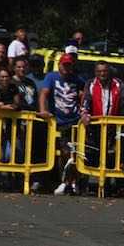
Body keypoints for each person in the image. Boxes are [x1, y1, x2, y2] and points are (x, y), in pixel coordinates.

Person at [39, 53, 85, 195]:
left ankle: (74, 182)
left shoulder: (77, 79)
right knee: (63, 153)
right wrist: (43, 110)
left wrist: (83, 110)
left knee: (76, 153)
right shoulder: (51, 77)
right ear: (59, 65)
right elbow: (44, 93)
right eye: (64, 65)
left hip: (75, 121)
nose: (66, 68)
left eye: (69, 65)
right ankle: (64, 182)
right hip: (58, 122)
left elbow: (83, 95)